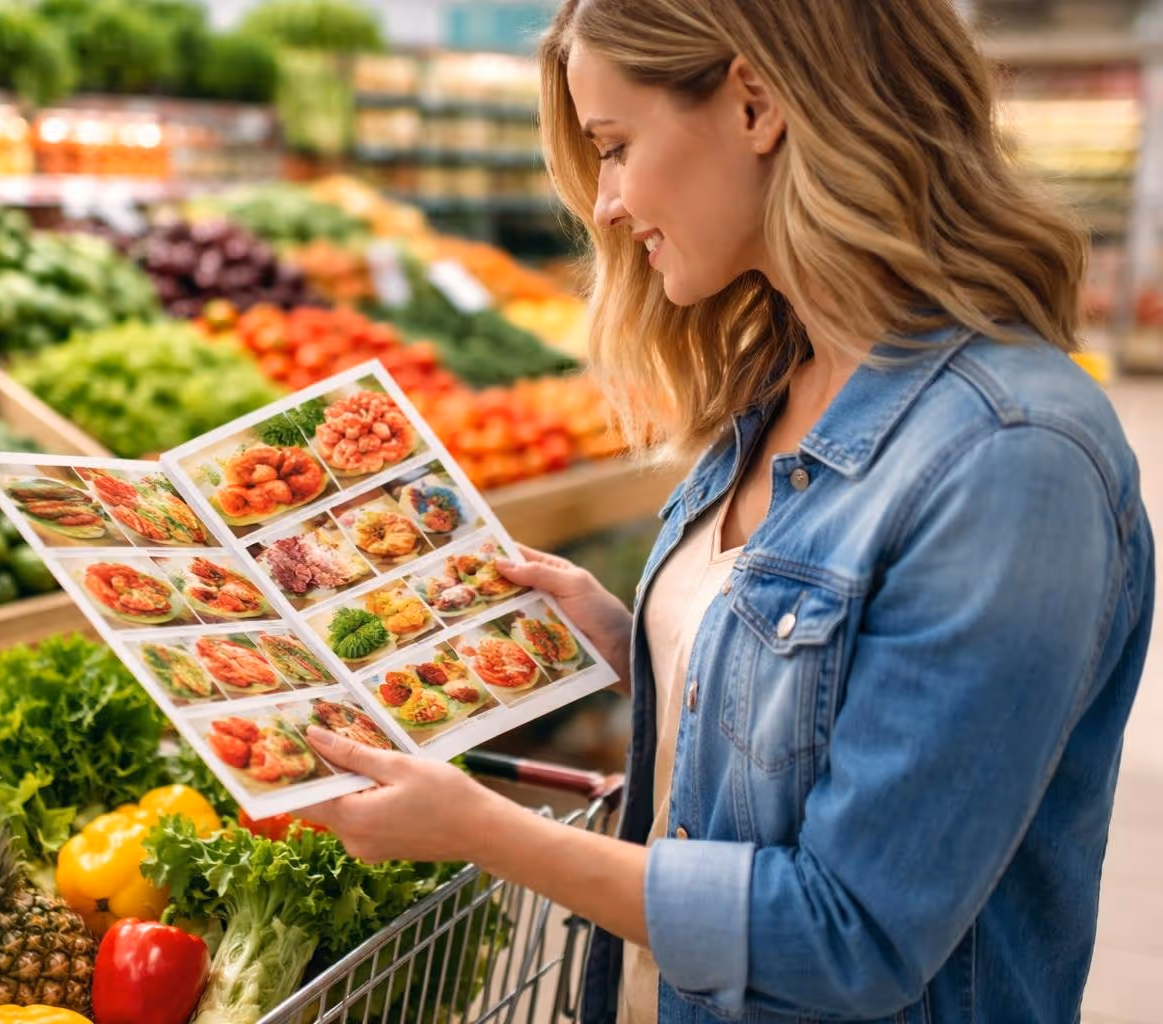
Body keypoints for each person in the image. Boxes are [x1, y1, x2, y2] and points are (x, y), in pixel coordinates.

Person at [302, 2, 1155, 1022]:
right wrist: (632, 641)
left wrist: (488, 830)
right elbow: (812, 712)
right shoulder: (784, 378)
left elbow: (854, 935)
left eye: (615, 148)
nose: (607, 204)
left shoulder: (1012, 459)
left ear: (755, 102)